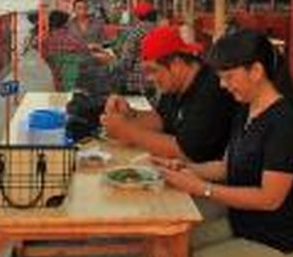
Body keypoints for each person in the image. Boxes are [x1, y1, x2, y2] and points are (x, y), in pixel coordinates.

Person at [120, 30, 293, 257]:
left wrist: (202, 189)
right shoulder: (247, 108)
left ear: (255, 71)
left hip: (275, 246)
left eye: (228, 76)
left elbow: (270, 199)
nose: (222, 85)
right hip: (243, 226)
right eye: (220, 77)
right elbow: (226, 167)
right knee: (168, 246)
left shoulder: (283, 123)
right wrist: (182, 168)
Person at [100, 25, 237, 162]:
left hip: (204, 175)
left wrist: (128, 132)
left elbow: (186, 152)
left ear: (176, 64)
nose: (149, 78)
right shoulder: (174, 85)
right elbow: (160, 121)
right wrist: (129, 113)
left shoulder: (211, 89)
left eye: (153, 70)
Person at [41, 10, 111, 96]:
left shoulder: (45, 42)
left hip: (59, 83)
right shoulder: (72, 40)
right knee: (107, 60)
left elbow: (47, 57)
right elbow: (85, 53)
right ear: (65, 24)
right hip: (80, 83)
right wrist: (104, 53)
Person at [110, 0, 155, 95]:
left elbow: (126, 62)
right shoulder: (159, 30)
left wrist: (111, 61)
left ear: (138, 16)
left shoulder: (136, 33)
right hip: (155, 82)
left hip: (136, 84)